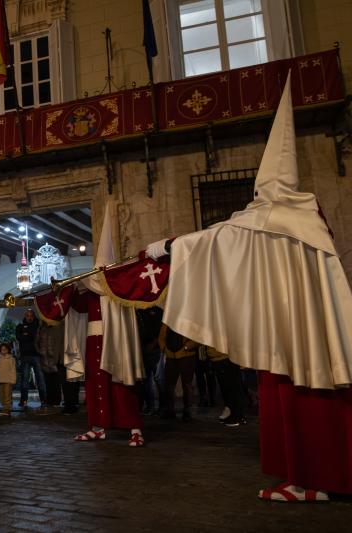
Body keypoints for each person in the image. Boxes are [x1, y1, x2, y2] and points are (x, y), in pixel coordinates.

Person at [147, 75, 352, 500]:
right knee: (324, 402)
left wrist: (166, 246)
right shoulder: (309, 214)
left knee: (296, 401)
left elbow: (217, 240)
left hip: (287, 330)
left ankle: (310, 481)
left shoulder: (269, 214)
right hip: (311, 328)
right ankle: (325, 478)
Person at [74, 205, 145, 447]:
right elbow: (77, 306)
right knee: (96, 385)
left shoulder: (119, 288)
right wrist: (66, 289)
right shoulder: (90, 291)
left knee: (120, 385)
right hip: (93, 341)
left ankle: (135, 429)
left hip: (114, 341)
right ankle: (98, 427)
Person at [158, 324, 199, 422]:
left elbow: (198, 336)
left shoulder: (190, 318)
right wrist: (164, 349)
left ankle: (187, 411)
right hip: (171, 356)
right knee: (169, 384)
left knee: (187, 384)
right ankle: (170, 410)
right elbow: (161, 336)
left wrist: (186, 347)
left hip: (187, 356)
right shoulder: (168, 319)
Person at [205, 347, 246, 427]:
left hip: (225, 357)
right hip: (219, 357)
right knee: (226, 389)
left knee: (232, 388)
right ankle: (232, 414)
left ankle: (237, 417)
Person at [16, 309, 46, 408]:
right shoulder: (19, 327)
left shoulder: (38, 326)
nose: (29, 317)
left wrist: (27, 334)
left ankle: (44, 400)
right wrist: (31, 335)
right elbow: (19, 337)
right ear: (25, 316)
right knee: (24, 380)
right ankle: (23, 401)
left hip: (36, 355)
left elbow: (37, 337)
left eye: (31, 315)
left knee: (40, 379)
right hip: (25, 356)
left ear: (33, 316)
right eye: (27, 315)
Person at [137, 307, 164, 415]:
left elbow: (161, 329)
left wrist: (154, 343)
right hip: (142, 349)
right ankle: (150, 406)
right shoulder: (138, 310)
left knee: (159, 379)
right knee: (145, 380)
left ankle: (163, 407)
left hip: (155, 349)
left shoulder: (157, 311)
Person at [36, 320, 64, 408]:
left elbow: (60, 341)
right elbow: (36, 341)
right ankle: (49, 400)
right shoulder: (41, 328)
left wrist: (57, 354)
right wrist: (40, 351)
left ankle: (56, 401)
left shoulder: (57, 327)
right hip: (44, 359)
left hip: (54, 359)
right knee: (47, 382)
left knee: (56, 382)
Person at [0, 343, 17, 416]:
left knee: (7, 396)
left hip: (8, 381)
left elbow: (13, 370)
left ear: (8, 350)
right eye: (2, 349)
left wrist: (13, 380)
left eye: (5, 349)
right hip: (1, 380)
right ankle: (5, 408)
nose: (3, 351)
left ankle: (7, 409)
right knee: (2, 396)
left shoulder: (11, 359)